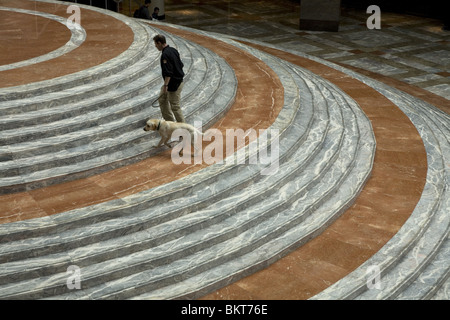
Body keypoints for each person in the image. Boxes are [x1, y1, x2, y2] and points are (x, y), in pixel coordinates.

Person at [153, 34, 186, 123]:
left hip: (174, 84)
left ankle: (183, 129)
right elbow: (181, 64)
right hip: (176, 81)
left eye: (156, 44)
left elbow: (168, 73)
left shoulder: (165, 55)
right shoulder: (173, 50)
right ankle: (170, 123)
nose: (155, 46)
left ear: (159, 43)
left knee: (175, 106)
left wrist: (165, 85)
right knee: (162, 99)